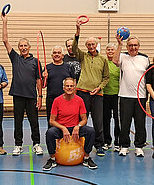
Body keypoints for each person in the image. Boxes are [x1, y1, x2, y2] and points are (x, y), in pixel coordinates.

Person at [2, 14, 43, 156]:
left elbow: (39, 80)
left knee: (34, 122)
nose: (23, 47)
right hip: (18, 95)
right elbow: (5, 40)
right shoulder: (15, 58)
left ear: (29, 47)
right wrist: (5, 22)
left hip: (31, 96)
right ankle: (18, 145)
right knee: (17, 121)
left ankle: (36, 144)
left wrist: (40, 96)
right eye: (21, 46)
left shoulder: (36, 61)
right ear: (18, 48)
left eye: (25, 45)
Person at [72, 19, 110, 156]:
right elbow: (74, 48)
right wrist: (78, 31)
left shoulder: (103, 60)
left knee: (98, 122)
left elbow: (106, 78)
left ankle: (99, 145)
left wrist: (99, 88)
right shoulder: (83, 57)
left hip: (97, 95)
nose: (91, 46)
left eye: (93, 44)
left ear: (97, 45)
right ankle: (80, 143)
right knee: (82, 120)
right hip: (82, 93)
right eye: (88, 44)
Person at [43, 77, 97, 171]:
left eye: (71, 86)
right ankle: (52, 159)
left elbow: (84, 119)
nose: (69, 88)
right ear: (63, 88)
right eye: (67, 86)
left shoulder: (79, 100)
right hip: (61, 128)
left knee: (90, 131)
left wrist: (78, 126)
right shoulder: (57, 100)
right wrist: (63, 128)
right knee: (50, 133)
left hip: (75, 128)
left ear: (75, 87)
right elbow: (51, 121)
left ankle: (86, 158)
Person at [113, 35, 149, 157]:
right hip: (125, 96)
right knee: (124, 123)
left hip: (141, 96)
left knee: (140, 123)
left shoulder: (145, 58)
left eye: (135, 45)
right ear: (127, 47)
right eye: (130, 45)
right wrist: (119, 44)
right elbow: (114, 61)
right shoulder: (123, 56)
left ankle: (139, 146)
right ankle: (125, 146)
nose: (133, 47)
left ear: (139, 46)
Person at [43, 45, 73, 128]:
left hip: (66, 99)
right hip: (51, 99)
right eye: (54, 53)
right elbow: (43, 85)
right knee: (51, 121)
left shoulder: (68, 67)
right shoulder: (47, 68)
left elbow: (73, 83)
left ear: (63, 56)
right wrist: (44, 77)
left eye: (59, 53)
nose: (57, 54)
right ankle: (51, 139)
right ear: (52, 55)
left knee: (65, 120)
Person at [102, 43, 120, 152]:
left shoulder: (118, 63)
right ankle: (106, 141)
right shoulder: (103, 63)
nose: (110, 51)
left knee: (118, 120)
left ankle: (117, 142)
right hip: (105, 95)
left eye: (112, 50)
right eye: (108, 50)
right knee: (105, 119)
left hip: (117, 95)